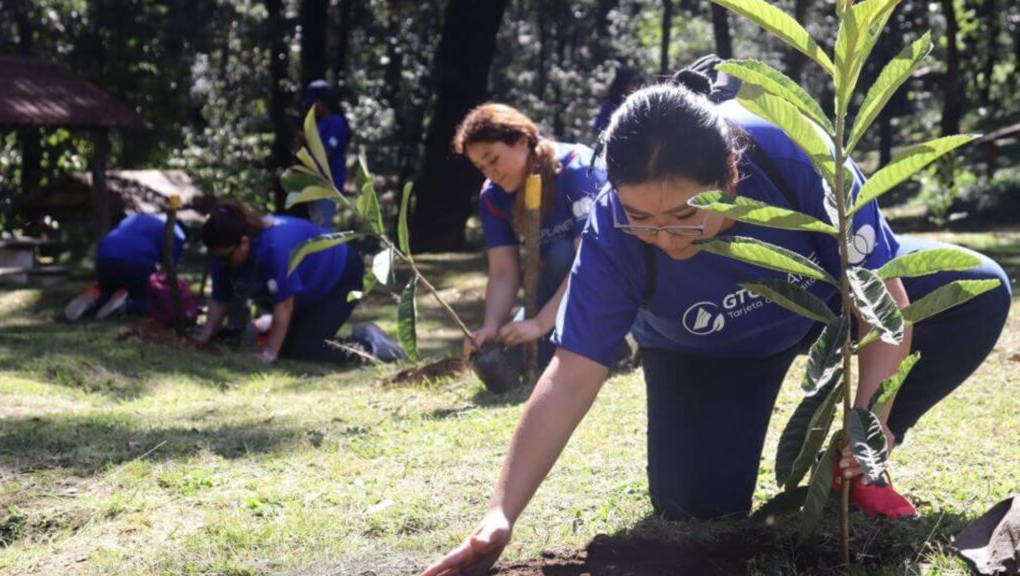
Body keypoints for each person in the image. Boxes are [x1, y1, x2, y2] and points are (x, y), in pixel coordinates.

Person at [421, 78, 1011, 574]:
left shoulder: (798, 158)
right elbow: (571, 376)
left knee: (976, 288)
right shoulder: (610, 229)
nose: (666, 237)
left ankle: (852, 468)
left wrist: (867, 424)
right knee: (694, 507)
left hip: (824, 304)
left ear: (731, 174)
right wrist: (500, 516)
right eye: (642, 219)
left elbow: (885, 311)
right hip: (703, 349)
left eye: (684, 213)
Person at [453, 103, 607, 368]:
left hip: (609, 281)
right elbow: (503, 271)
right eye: (481, 167)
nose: (490, 173)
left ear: (522, 141)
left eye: (493, 159)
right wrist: (491, 327)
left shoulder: (578, 169)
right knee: (506, 359)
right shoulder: (493, 196)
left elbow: (594, 262)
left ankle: (608, 346)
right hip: (554, 292)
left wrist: (541, 323)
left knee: (561, 253)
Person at [193, 200, 403, 364]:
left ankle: (371, 346)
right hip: (308, 286)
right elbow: (220, 298)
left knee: (304, 349)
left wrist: (269, 354)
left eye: (225, 257)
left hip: (340, 276)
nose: (221, 263)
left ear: (244, 242)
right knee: (287, 343)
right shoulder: (224, 254)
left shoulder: (274, 248)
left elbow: (284, 303)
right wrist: (204, 338)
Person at [64, 213, 186, 321]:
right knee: (149, 297)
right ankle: (127, 304)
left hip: (105, 256)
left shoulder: (135, 217)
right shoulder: (177, 232)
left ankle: (96, 298)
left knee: (110, 290)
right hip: (137, 260)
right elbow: (170, 266)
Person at [301, 79, 352, 232]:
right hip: (316, 185)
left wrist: (307, 139)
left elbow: (326, 154)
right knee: (316, 228)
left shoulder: (335, 122)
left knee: (325, 230)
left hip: (331, 186)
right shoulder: (321, 123)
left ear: (323, 102)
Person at [592, 66, 644, 137]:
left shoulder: (640, 107)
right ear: (623, 84)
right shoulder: (610, 106)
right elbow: (598, 129)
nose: (637, 87)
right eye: (633, 83)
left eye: (639, 83)